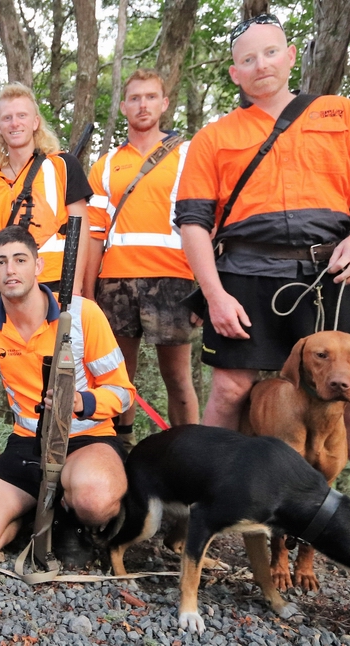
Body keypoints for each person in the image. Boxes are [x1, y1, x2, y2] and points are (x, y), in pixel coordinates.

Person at [173, 13, 350, 570]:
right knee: (228, 388)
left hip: (330, 269)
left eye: (270, 53)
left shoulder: (342, 114)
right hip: (245, 270)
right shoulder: (215, 136)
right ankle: (195, 500)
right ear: (234, 73)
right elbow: (194, 222)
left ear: (290, 56)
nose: (260, 65)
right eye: (247, 59)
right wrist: (215, 294)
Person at [0, 227, 136, 562]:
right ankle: (27, 515)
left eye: (20, 260)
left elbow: (122, 393)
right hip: (28, 444)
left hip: (86, 438)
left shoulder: (82, 314)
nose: (10, 270)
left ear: (38, 265)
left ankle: (71, 519)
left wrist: (81, 402)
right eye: (1, 262)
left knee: (95, 499)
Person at [84, 68, 200, 444]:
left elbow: (204, 224)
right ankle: (121, 447)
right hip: (115, 281)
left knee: (178, 376)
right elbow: (94, 233)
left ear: (164, 104)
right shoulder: (106, 165)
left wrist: (206, 290)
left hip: (173, 280)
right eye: (135, 98)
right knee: (119, 373)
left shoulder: (188, 155)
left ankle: (190, 453)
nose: (143, 104)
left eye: (150, 96)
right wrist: (87, 294)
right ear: (123, 106)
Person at [0, 82, 93, 313]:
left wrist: (74, 289)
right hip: (3, 288)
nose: (15, 123)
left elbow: (81, 229)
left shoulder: (63, 166)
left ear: (35, 122)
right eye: (7, 118)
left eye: (22, 115)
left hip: (55, 285)